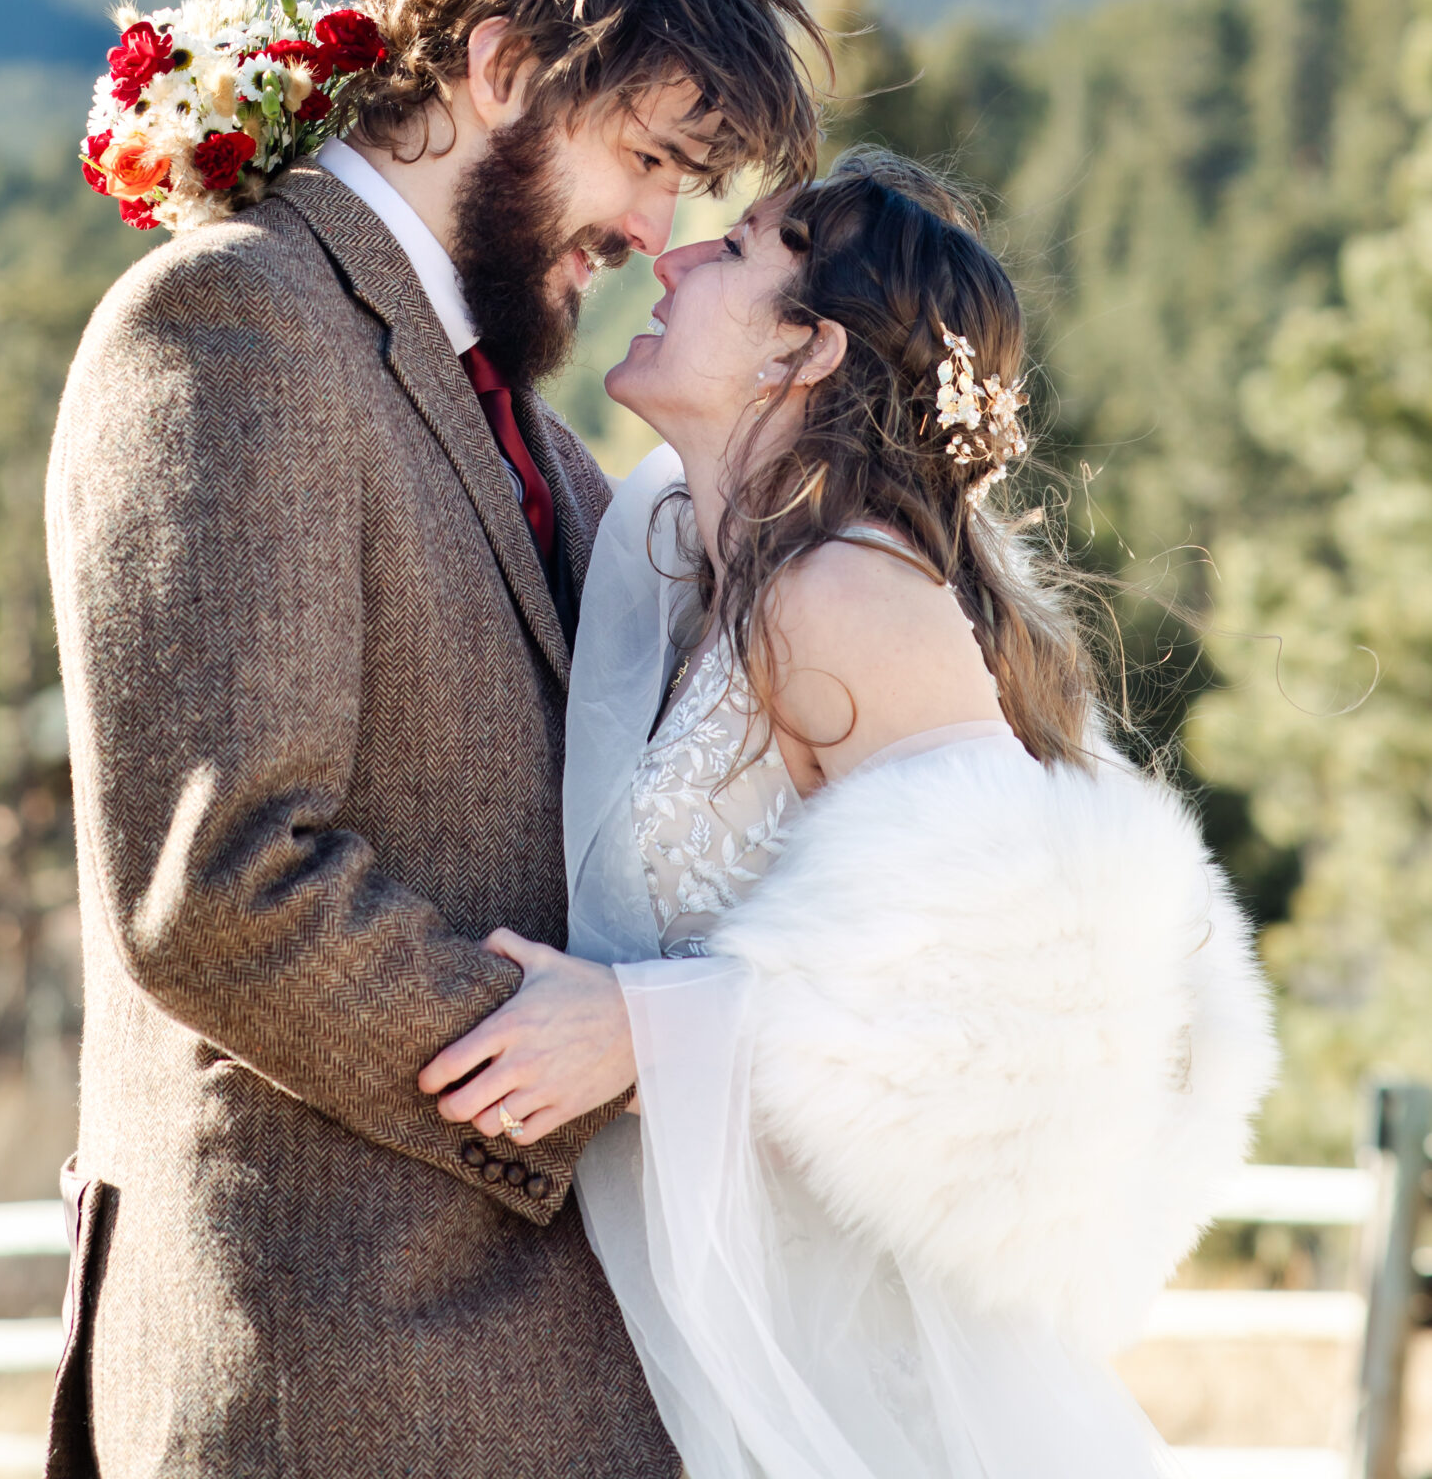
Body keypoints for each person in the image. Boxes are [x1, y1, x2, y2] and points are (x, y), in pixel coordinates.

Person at [43, 0, 822, 1478]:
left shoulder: (532, 434)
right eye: (653, 158)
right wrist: (594, 1061)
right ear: (498, 65)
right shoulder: (236, 323)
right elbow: (224, 880)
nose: (659, 231)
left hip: (524, 1376)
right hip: (334, 1374)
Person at [421, 150, 1277, 1479]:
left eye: (738, 248)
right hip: (706, 1311)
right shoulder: (688, 564)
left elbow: (1012, 1011)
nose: (676, 256)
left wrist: (637, 1030)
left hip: (858, 1367)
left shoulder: (846, 592)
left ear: (805, 350)